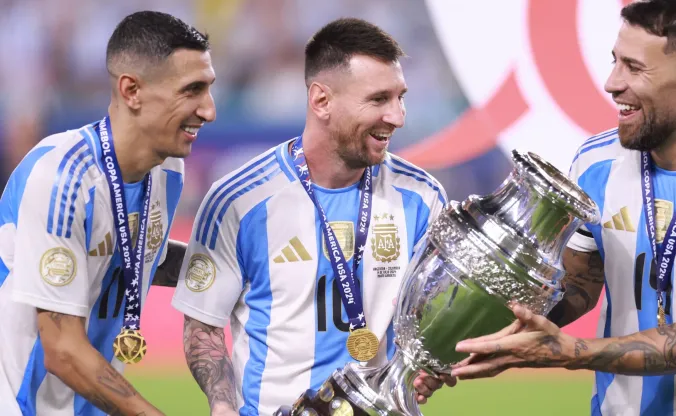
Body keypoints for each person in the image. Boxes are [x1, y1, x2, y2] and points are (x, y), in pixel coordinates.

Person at [449, 1, 676, 415]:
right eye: (614, 61)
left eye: (634, 68)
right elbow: (577, 288)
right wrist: (482, 332)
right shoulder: (595, 163)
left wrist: (571, 351)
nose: (611, 83)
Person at [171, 17, 454, 416]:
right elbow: (203, 323)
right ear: (321, 100)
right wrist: (222, 405)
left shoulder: (423, 197)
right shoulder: (239, 200)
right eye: (378, 100)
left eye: (400, 97)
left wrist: (428, 361)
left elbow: (429, 315)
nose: (397, 116)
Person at [0, 10, 216, 415]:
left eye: (209, 89)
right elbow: (62, 350)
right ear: (132, 90)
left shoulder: (167, 171)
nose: (209, 110)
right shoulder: (61, 178)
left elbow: (132, 255)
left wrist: (239, 264)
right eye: (192, 90)